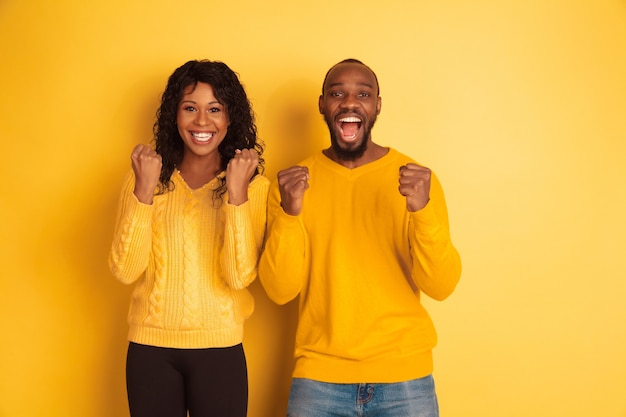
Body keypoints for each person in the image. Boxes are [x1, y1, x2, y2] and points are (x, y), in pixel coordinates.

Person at [259, 58, 462, 417]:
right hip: (318, 380)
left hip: (405, 381)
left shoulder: (416, 182)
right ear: (323, 104)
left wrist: (421, 210)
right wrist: (291, 214)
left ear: (377, 105)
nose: (350, 103)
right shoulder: (292, 185)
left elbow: (441, 286)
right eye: (337, 93)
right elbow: (279, 289)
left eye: (363, 94)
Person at [108, 59, 269, 417]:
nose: (201, 121)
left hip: (220, 350)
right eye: (190, 108)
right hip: (150, 350)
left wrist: (237, 196)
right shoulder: (142, 178)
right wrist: (145, 191)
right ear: (174, 115)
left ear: (231, 118)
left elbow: (240, 275)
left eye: (215, 109)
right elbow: (125, 270)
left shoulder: (254, 187)